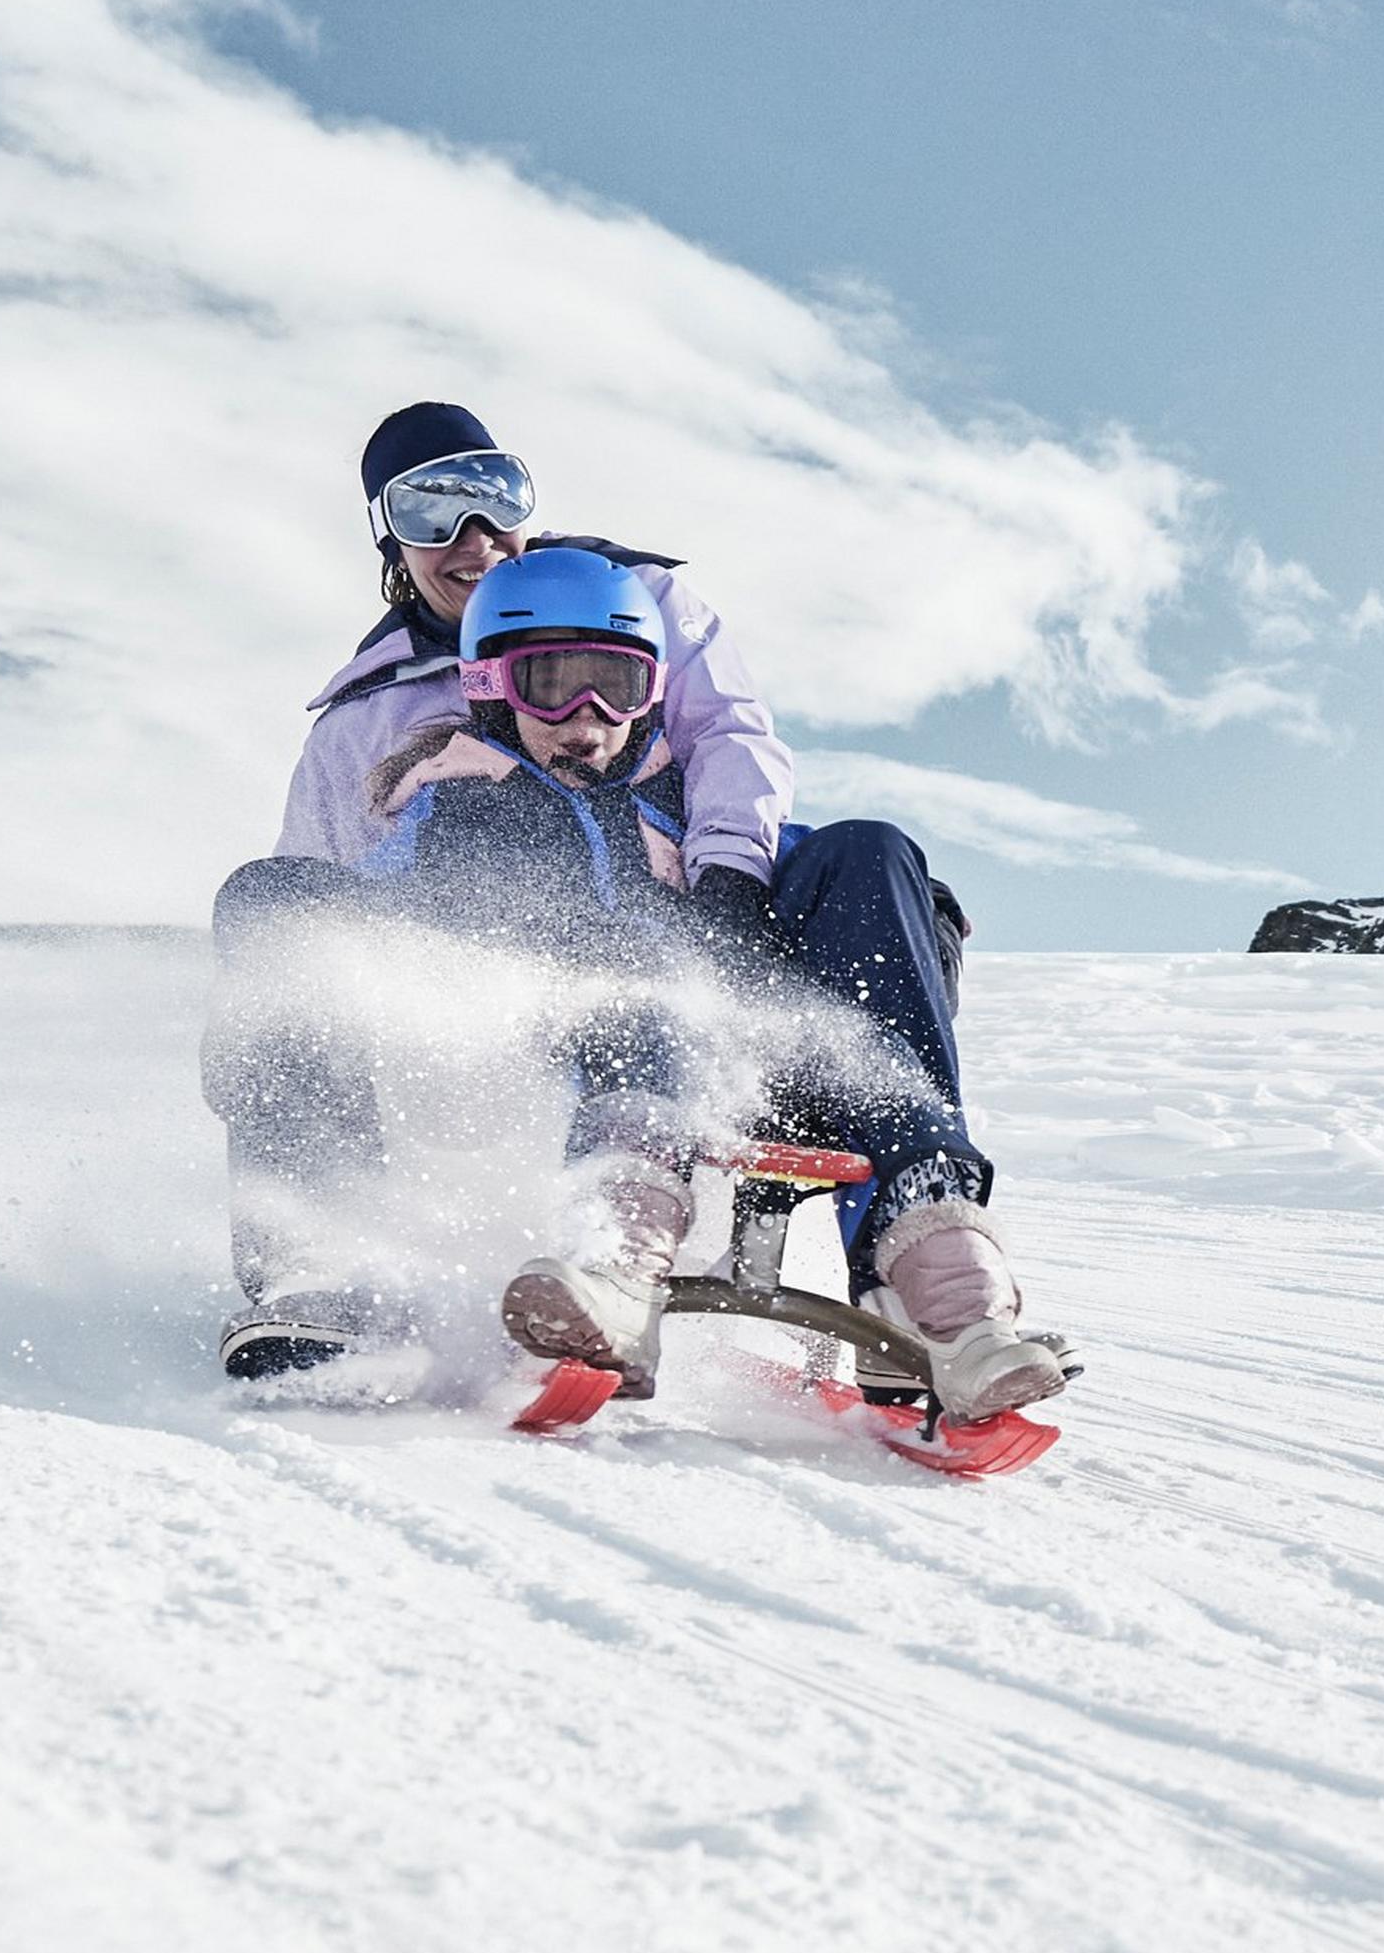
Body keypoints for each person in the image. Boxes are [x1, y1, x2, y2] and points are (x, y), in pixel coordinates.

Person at [212, 549, 1067, 1425]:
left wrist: (917, 912)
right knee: (613, 951)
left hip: (759, 1069)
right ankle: (602, 1260)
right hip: (561, 1075)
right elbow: (378, 917)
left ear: (654, 690)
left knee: (871, 849)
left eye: (617, 685)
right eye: (551, 684)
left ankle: (946, 1292)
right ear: (489, 686)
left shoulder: (689, 809)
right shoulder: (457, 809)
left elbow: (838, 882)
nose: (588, 716)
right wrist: (305, 979)